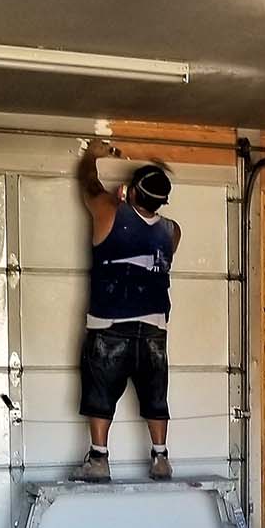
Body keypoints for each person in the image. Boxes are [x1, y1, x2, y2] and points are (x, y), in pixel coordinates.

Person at [71, 139, 181, 482]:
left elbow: (88, 185)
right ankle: (160, 458)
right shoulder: (172, 231)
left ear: (131, 192)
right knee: (155, 394)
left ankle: (99, 459)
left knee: (100, 391)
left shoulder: (108, 211)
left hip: (110, 324)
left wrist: (92, 155)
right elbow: (148, 227)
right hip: (153, 330)